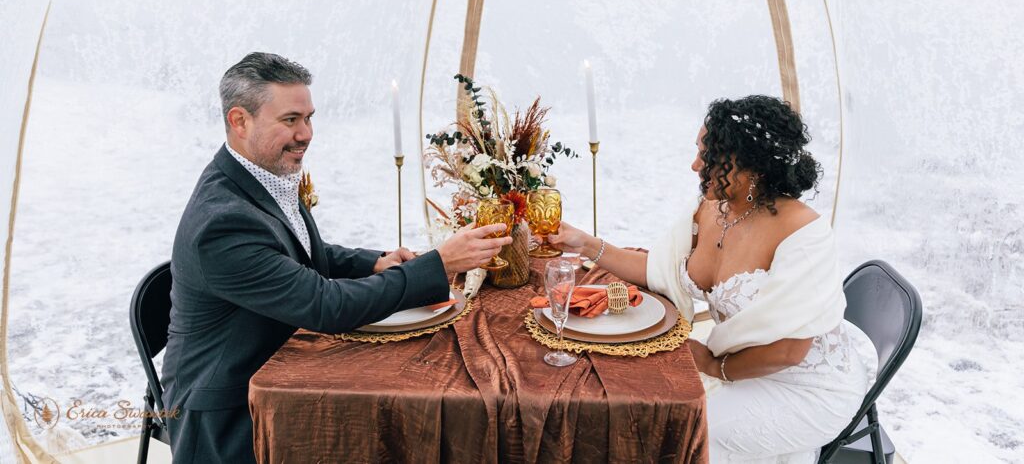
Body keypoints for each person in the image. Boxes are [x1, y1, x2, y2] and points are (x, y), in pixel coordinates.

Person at [161, 52, 511, 463]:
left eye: (309, 118)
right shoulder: (222, 224)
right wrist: (439, 264)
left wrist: (373, 262)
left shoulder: (256, 176)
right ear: (240, 121)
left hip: (276, 374)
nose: (306, 133)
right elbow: (326, 305)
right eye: (290, 120)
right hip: (230, 415)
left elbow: (297, 251)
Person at [550, 95, 872, 463]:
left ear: (748, 165)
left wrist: (715, 367)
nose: (694, 165)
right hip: (741, 363)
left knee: (688, 431)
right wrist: (586, 243)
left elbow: (790, 349)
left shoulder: (804, 235)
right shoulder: (712, 209)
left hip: (807, 386)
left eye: (707, 156)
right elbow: (658, 270)